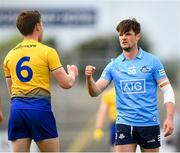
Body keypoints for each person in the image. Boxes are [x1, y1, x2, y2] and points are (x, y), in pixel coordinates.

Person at [85, 18, 175, 152]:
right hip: (124, 124)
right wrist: (89, 78)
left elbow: (167, 90)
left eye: (127, 34)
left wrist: (169, 118)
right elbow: (95, 91)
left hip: (149, 124)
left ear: (138, 36)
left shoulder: (153, 61)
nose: (123, 38)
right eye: (121, 35)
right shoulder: (113, 66)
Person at [3, 10, 78, 152]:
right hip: (39, 111)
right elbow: (66, 83)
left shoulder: (9, 55)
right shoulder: (47, 51)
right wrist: (72, 73)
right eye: (42, 25)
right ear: (37, 26)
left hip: (17, 111)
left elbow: (11, 90)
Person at [93, 87, 117, 151]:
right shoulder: (109, 94)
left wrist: (98, 128)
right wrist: (98, 128)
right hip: (116, 125)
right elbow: (102, 112)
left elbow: (102, 112)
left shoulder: (109, 94)